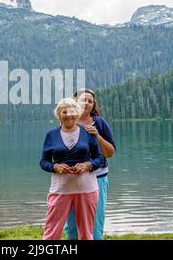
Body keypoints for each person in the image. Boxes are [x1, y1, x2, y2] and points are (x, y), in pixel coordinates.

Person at [40, 97, 105, 240]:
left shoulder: (88, 132)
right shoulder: (51, 135)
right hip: (60, 190)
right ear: (59, 114)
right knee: (52, 233)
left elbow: (100, 159)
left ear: (77, 113)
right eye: (64, 112)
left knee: (86, 234)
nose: (69, 115)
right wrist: (54, 166)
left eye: (72, 111)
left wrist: (88, 165)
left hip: (87, 189)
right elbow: (43, 162)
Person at [64, 89, 116, 240]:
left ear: (93, 106)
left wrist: (97, 135)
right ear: (75, 102)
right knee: (72, 225)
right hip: (72, 179)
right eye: (83, 99)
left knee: (95, 225)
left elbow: (110, 153)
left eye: (90, 101)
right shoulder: (67, 122)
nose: (86, 103)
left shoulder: (99, 123)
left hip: (97, 178)